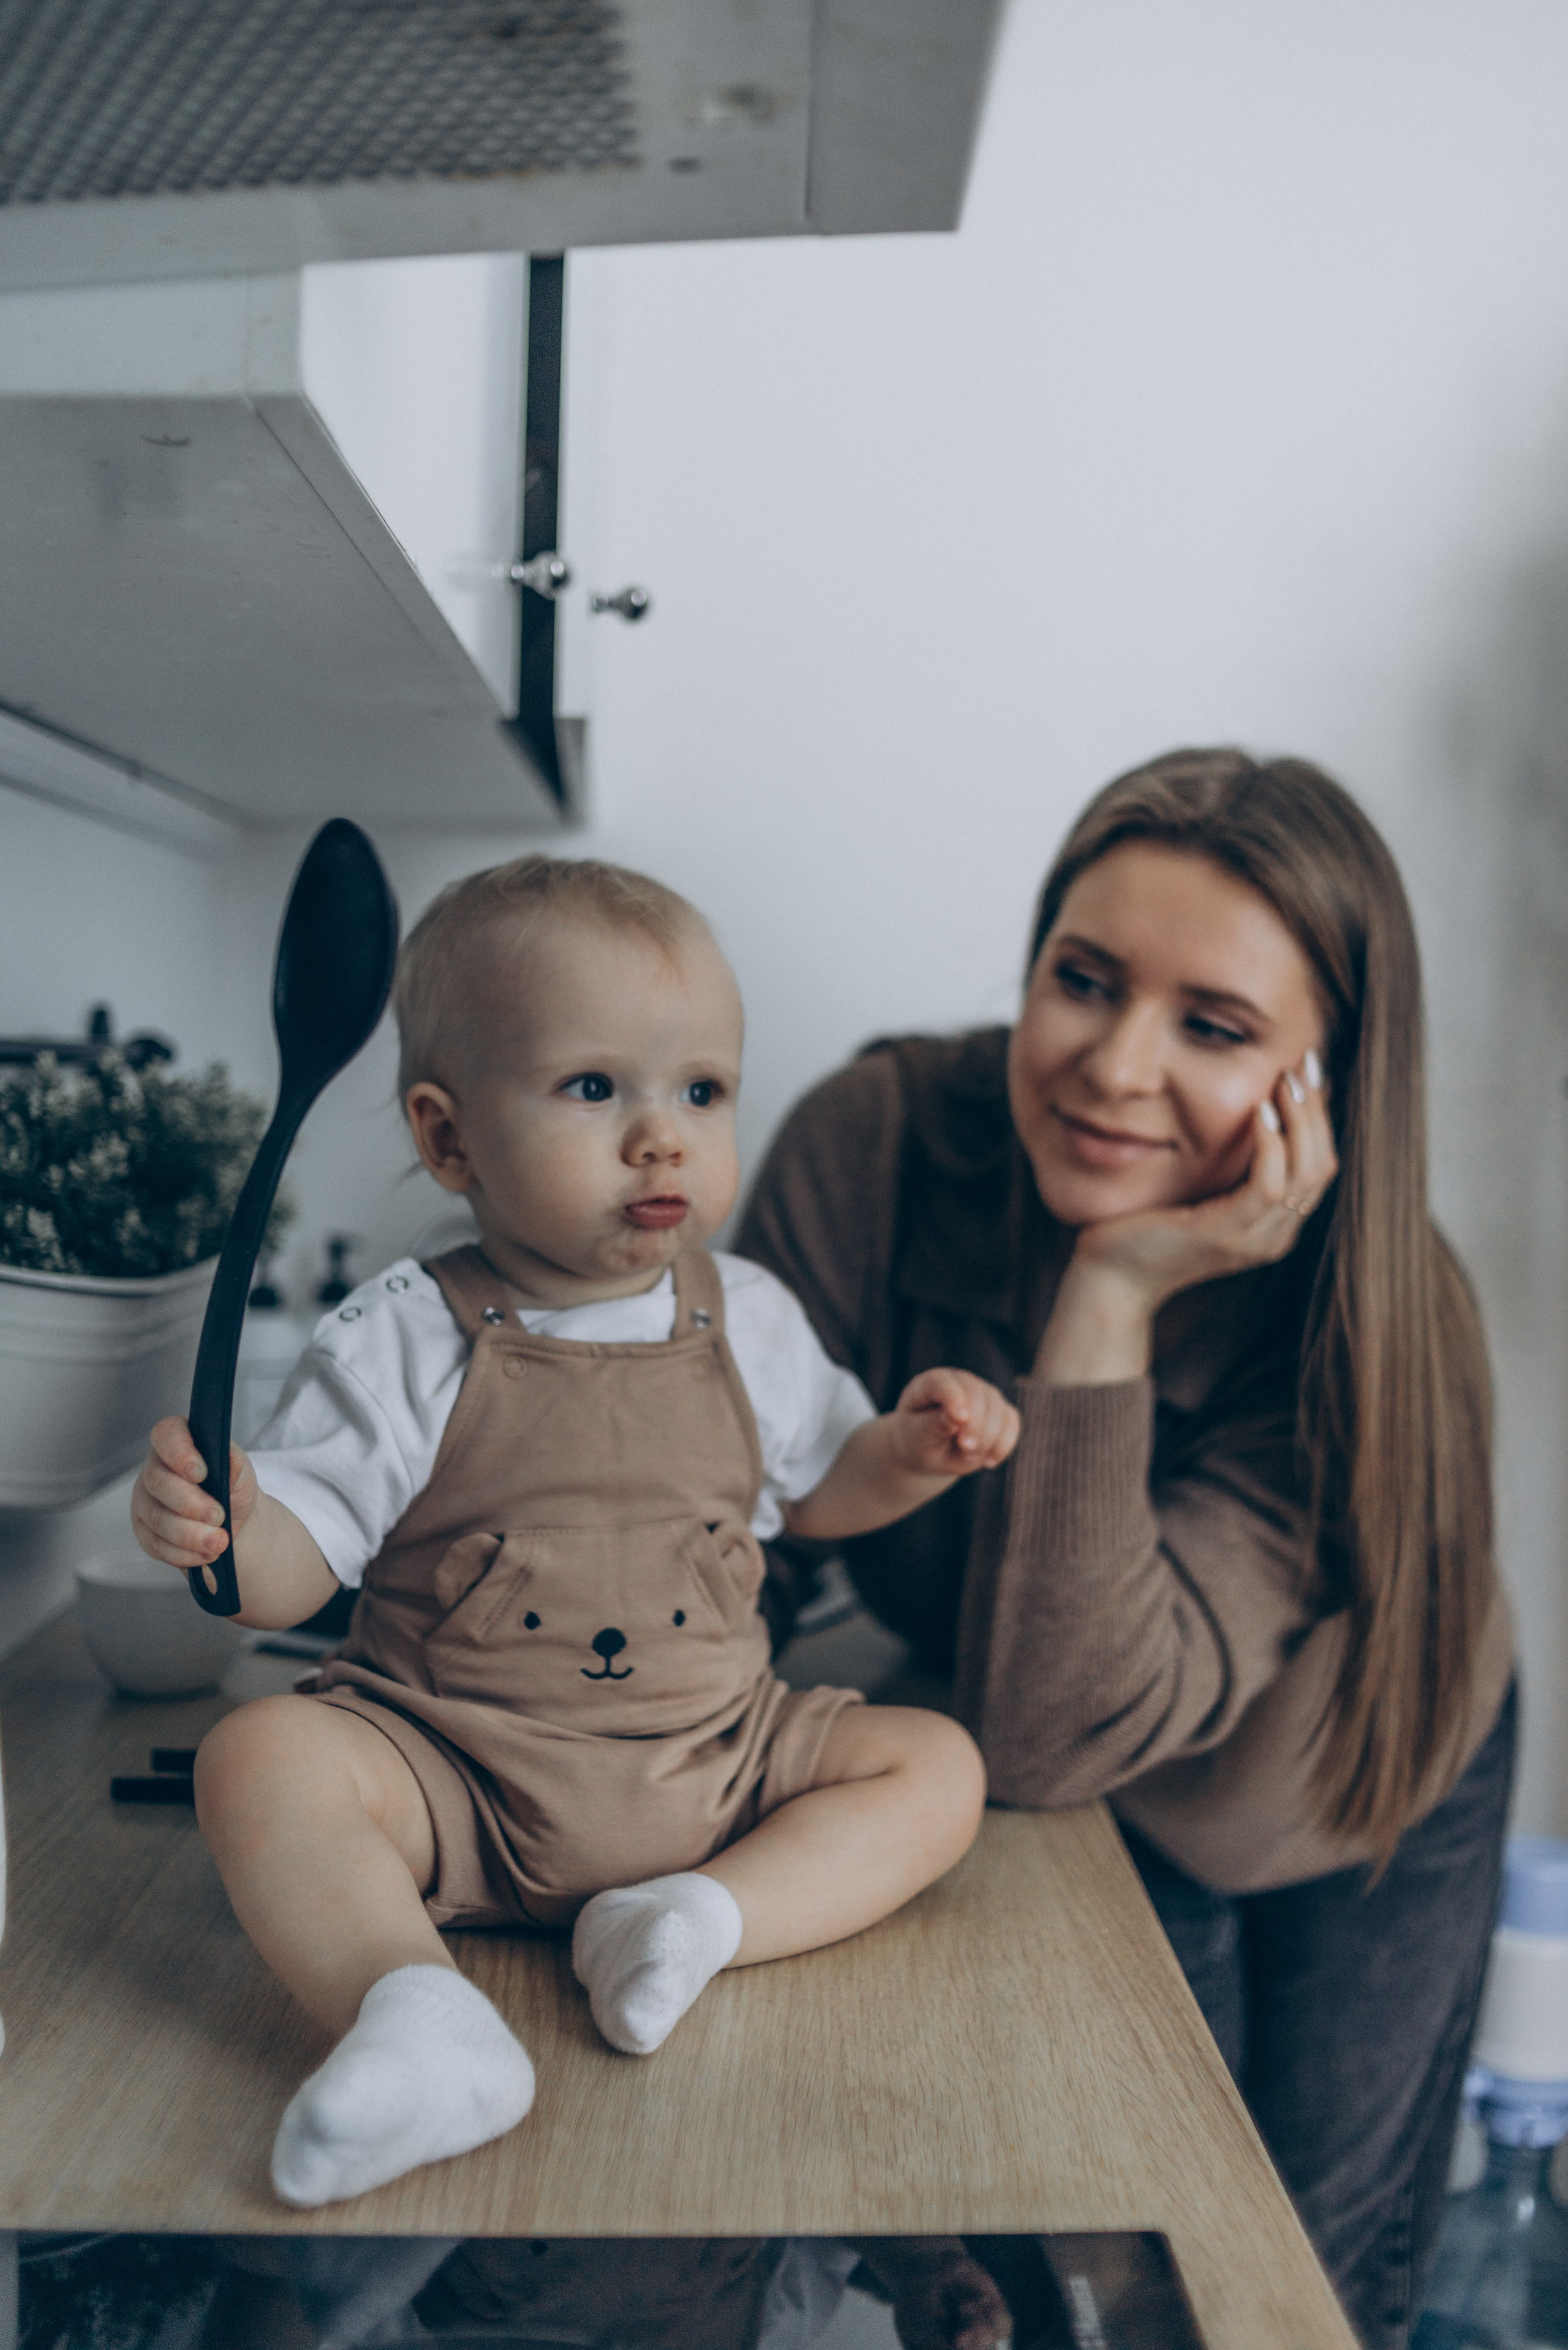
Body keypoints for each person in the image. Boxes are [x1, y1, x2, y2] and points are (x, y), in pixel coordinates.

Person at [737, 749, 1516, 2350]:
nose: (1112, 1065)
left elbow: (1057, 1724)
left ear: (1331, 1080)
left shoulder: (1361, 1322)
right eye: (1082, 981)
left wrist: (1109, 1298)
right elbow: (726, 1535)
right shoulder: (875, 1148)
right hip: (1065, 1753)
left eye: (1214, 1027)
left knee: (1276, 2293)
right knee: (1048, 2290)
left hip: (1333, 1778)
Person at [130, 855, 1009, 2211]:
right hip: (451, 1773)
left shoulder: (752, 1317)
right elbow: (286, 1566)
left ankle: (696, 1920)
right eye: (594, 1088)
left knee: (936, 1767)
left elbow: (824, 1489)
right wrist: (228, 1528)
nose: (662, 1136)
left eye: (699, 1091)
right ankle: (416, 2014)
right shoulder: (403, 1336)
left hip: (719, 1771)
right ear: (449, 1138)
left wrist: (905, 1451)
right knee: (260, 1756)